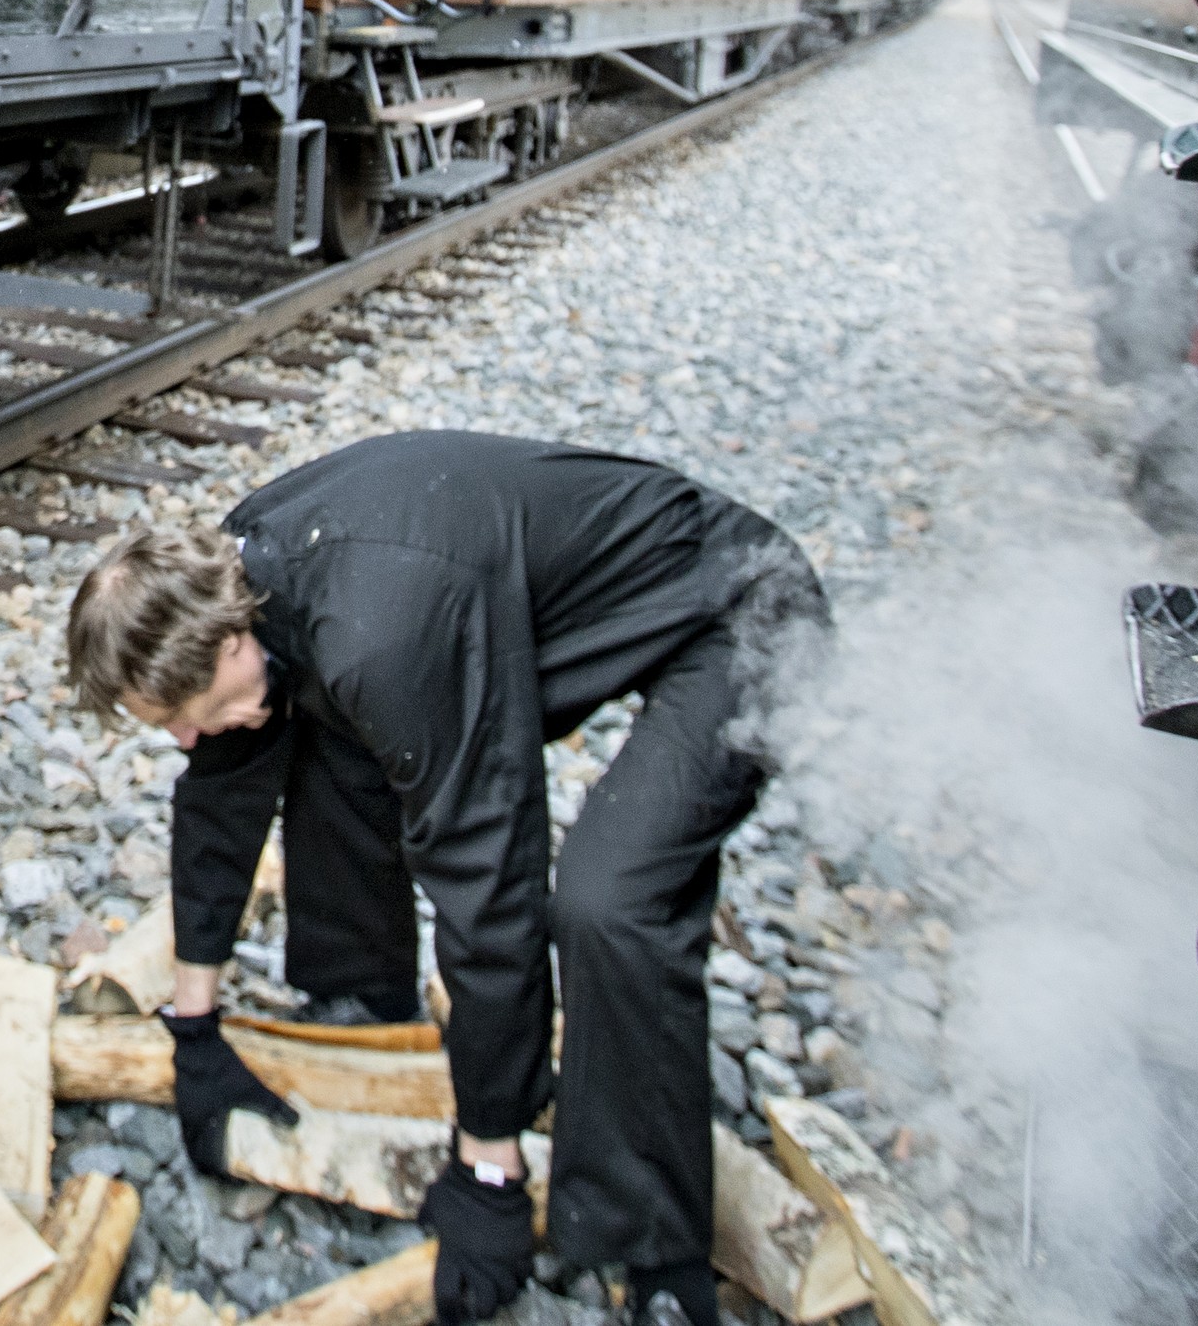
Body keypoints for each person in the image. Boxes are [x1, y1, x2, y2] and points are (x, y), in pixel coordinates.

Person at [64, 430, 825, 1326]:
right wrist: (194, 1030)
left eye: (180, 718)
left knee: (609, 900)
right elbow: (221, 797)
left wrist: (488, 1165)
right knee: (318, 727)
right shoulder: (241, 582)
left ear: (228, 645)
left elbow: (489, 886)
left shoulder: (383, 633)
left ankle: (657, 1246)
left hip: (745, 617)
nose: (184, 739)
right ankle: (362, 1000)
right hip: (534, 604)